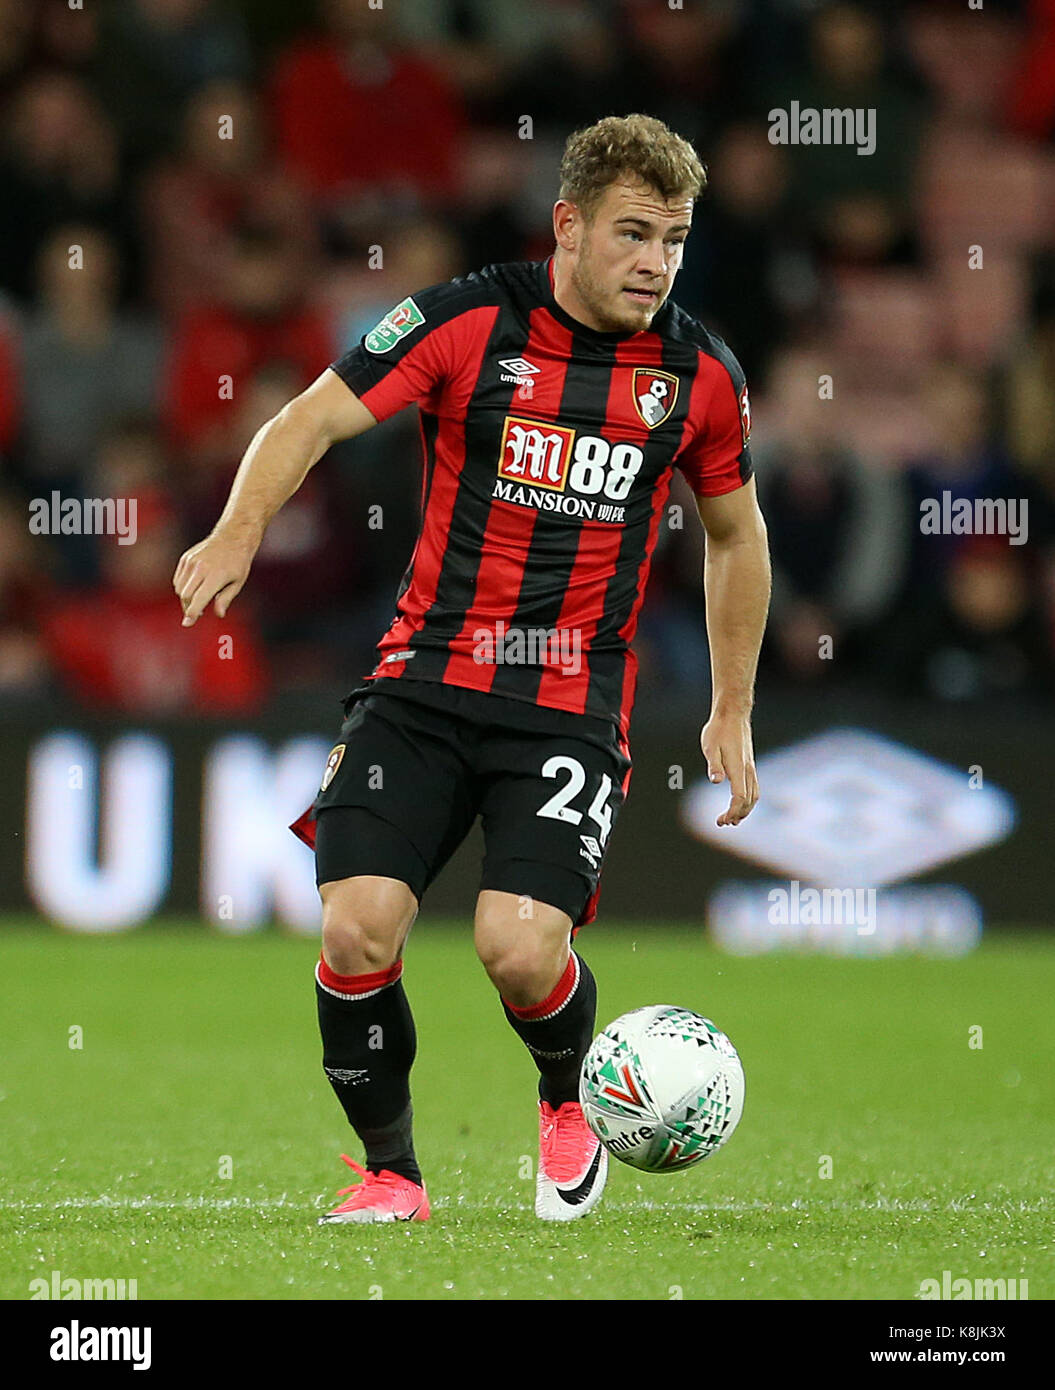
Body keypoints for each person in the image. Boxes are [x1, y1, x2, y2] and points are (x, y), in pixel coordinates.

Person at [173, 113, 771, 1225]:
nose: (655, 262)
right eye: (633, 234)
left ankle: (565, 1098)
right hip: (420, 684)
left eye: (674, 240)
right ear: (568, 225)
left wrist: (731, 701)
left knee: (514, 946)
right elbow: (305, 419)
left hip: (566, 706)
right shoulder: (463, 320)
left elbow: (735, 537)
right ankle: (392, 1173)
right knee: (355, 926)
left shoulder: (695, 375)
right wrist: (239, 529)